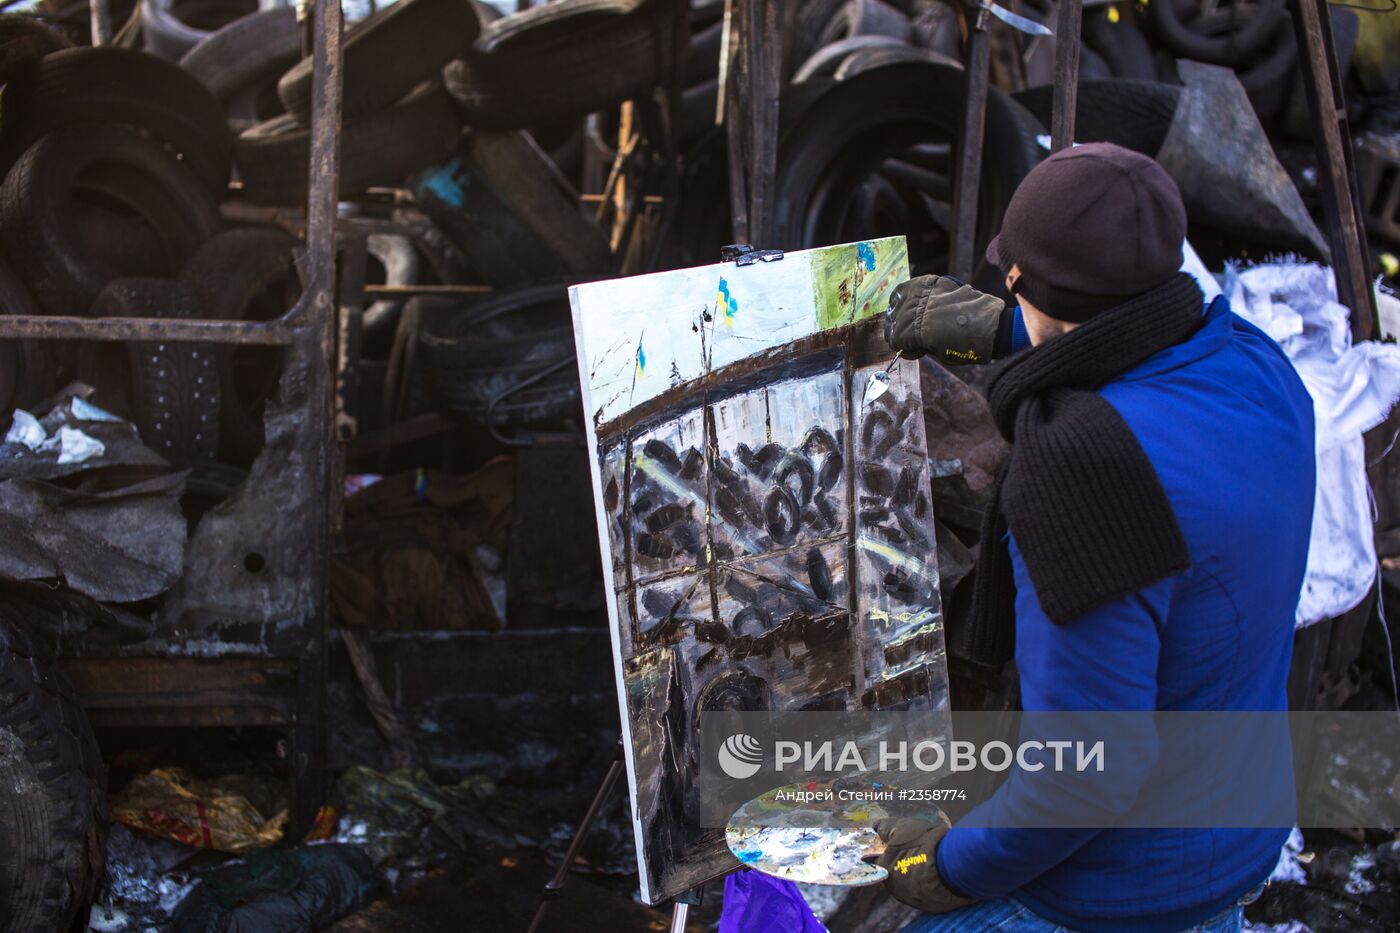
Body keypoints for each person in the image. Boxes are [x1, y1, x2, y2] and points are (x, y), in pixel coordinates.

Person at [872, 143, 1317, 932]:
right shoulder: (1258, 365)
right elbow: (1141, 341)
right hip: (1238, 831)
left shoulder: (1081, 470)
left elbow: (1086, 776)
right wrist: (1011, 330)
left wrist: (946, 867)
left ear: (1020, 278)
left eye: (1013, 283)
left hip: (1117, 889)